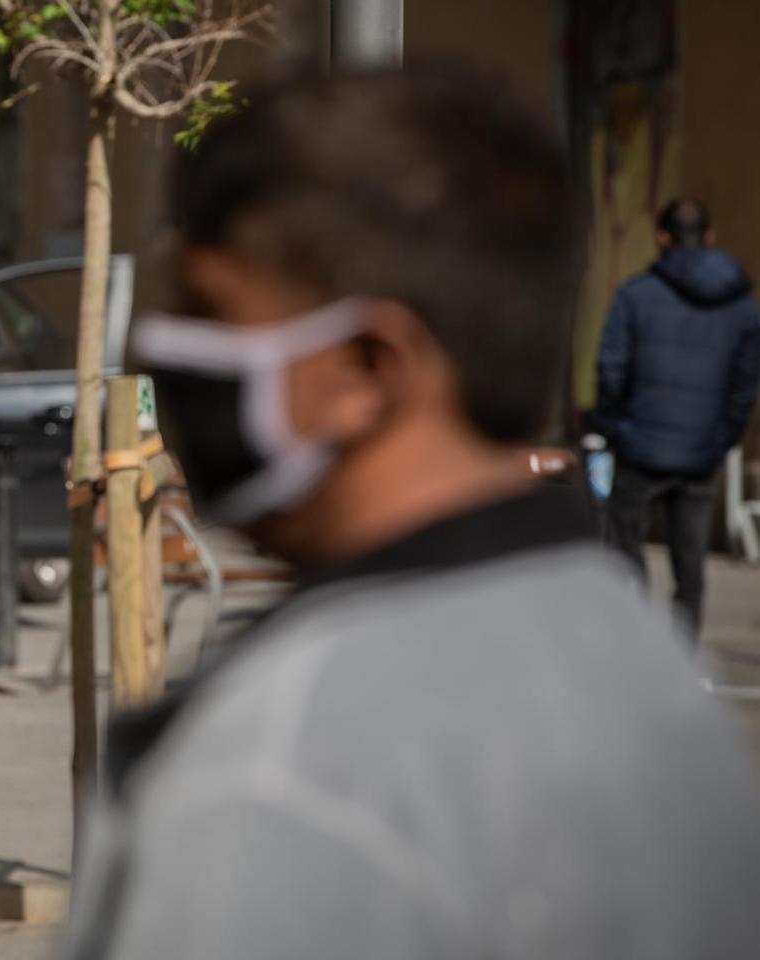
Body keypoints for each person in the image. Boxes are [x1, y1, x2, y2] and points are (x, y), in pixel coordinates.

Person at [65, 68, 760, 959]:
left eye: (211, 313)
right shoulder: (627, 645)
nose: (169, 352)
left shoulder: (281, 768)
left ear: (367, 369)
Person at [595, 198, 760, 640]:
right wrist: (721, 439)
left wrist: (615, 429)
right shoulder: (742, 306)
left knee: (624, 553)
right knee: (690, 568)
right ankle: (681, 665)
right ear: (708, 237)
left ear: (663, 238)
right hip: (700, 456)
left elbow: (610, 370)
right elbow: (745, 385)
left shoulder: (635, 295)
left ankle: (633, 648)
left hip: (639, 448)